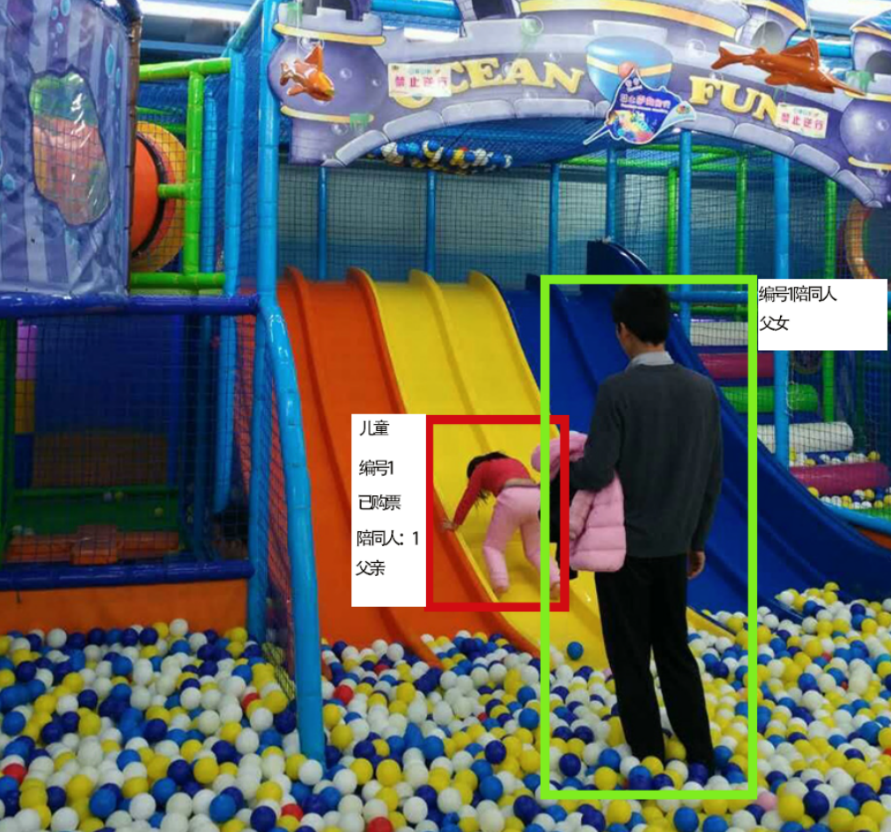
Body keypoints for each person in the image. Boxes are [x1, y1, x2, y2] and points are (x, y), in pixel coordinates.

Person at [568, 284, 723, 774]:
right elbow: (712, 474)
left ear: (623, 331)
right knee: (674, 648)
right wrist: (696, 540)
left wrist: (561, 471)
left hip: (623, 551)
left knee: (630, 653)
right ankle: (700, 751)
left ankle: (649, 756)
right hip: (674, 546)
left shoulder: (617, 391)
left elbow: (596, 471)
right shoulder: (702, 390)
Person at [442, 451, 561, 599]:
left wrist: (456, 522)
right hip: (538, 498)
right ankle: (556, 581)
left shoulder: (481, 468)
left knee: (493, 547)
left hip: (512, 498)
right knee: (536, 549)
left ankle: (500, 582)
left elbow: (469, 496)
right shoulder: (515, 462)